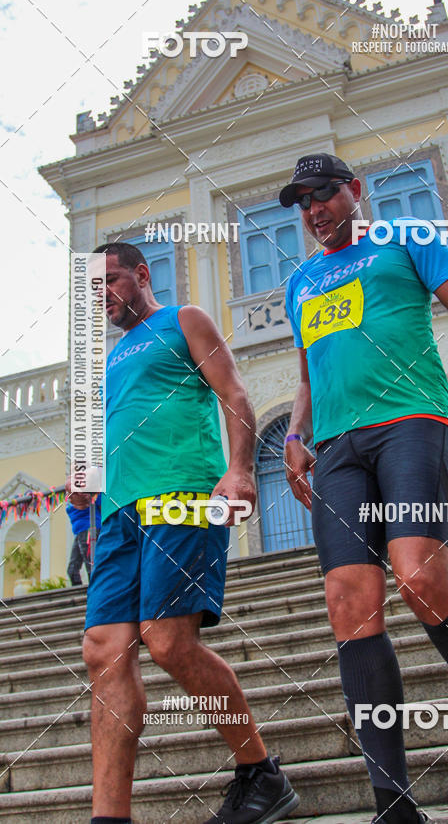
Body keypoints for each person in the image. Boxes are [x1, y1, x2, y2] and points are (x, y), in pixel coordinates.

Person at [281, 153, 448, 824]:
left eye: (323, 193)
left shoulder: (408, 238)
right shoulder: (300, 282)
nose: (313, 209)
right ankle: (393, 804)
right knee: (349, 604)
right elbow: (309, 373)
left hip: (412, 423)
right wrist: (296, 433)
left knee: (419, 578)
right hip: (337, 448)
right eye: (302, 201)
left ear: (354, 190)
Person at [70, 243, 298, 824]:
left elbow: (235, 393)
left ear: (142, 274)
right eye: (92, 290)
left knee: (169, 642)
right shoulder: (110, 360)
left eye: (110, 281)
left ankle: (260, 772)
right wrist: (86, 482)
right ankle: (109, 817)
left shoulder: (184, 320)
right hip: (118, 515)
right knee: (103, 651)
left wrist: (241, 469)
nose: (102, 297)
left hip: (184, 497)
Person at [66, 495, 101, 586]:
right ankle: (85, 592)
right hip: (79, 532)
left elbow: (101, 505)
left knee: (91, 566)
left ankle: (95, 589)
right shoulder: (69, 493)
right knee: (72, 570)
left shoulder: (91, 490)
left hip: (89, 529)